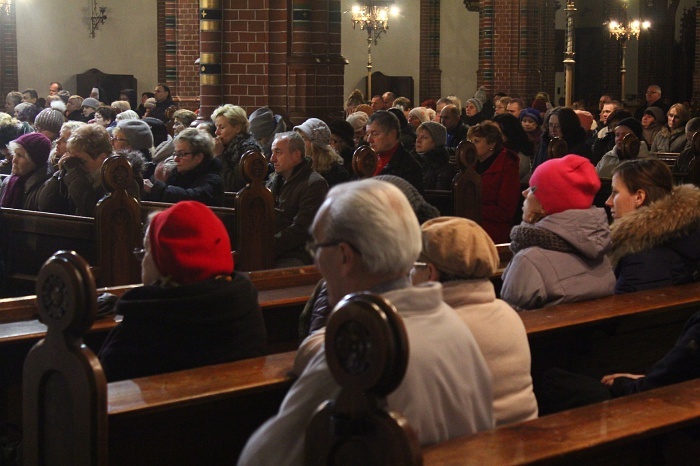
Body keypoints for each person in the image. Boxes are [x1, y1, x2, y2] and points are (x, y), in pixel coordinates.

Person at [239, 179, 494, 465]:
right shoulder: (453, 325)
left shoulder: (357, 354)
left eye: (318, 247)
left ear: (345, 256)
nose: (317, 261)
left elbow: (264, 457)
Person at [97, 201, 266, 382]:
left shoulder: (141, 330)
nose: (141, 260)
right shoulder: (246, 310)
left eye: (145, 251)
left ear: (164, 265)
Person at [411, 217, 538, 426]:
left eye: (414, 265)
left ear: (430, 273)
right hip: (523, 440)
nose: (410, 274)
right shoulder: (507, 313)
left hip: (476, 451)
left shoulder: (435, 331)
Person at [501, 154, 616, 310]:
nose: (525, 193)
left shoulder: (529, 261)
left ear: (545, 204)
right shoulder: (600, 250)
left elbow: (511, 321)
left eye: (533, 188)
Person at [606, 158, 700, 294]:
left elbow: (627, 312)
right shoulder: (684, 233)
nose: (608, 201)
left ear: (639, 197)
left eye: (615, 192)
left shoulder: (641, 260)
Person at [38, 124, 142, 216]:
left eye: (81, 161)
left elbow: (92, 211)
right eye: (73, 159)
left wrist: (74, 173)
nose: (77, 165)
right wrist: (61, 173)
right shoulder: (75, 175)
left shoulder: (122, 179)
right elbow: (45, 205)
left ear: (102, 157)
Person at [267, 131, 329, 267]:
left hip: (298, 253)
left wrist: (267, 245)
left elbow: (302, 229)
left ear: (296, 155)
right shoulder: (273, 181)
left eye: (278, 152)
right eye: (272, 152)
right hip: (274, 248)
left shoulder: (314, 184)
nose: (272, 159)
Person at [467, 121, 520, 243]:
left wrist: (473, 209)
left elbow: (505, 211)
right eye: (470, 142)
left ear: (492, 144)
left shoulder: (507, 166)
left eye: (476, 141)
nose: (471, 146)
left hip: (493, 230)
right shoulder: (470, 163)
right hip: (471, 225)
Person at [143, 128, 223, 206]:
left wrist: (157, 189)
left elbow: (192, 198)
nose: (176, 159)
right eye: (175, 153)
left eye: (181, 154)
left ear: (199, 157)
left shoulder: (213, 179)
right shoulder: (177, 173)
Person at [365, 110, 424, 192]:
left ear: (392, 134)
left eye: (375, 134)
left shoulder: (409, 167)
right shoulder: (365, 160)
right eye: (367, 134)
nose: (369, 140)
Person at [211, 104, 262, 192]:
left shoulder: (249, 150)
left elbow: (233, 186)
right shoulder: (225, 146)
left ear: (237, 128)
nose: (216, 132)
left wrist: (219, 156)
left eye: (222, 127)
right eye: (216, 127)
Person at [0, 133, 52, 210]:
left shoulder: (45, 189)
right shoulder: (9, 182)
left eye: (20, 155)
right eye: (14, 154)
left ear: (34, 161)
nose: (14, 160)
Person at [294, 118, 349, 187]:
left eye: (304, 139)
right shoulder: (297, 168)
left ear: (315, 145)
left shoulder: (337, 174)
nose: (299, 144)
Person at [412, 121, 457, 190]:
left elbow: (438, 196)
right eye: (417, 136)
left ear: (436, 142)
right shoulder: (411, 160)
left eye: (424, 137)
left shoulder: (444, 168)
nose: (418, 140)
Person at [493, 112, 534, 184]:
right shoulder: (494, 149)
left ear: (508, 132)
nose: (493, 135)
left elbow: (504, 181)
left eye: (498, 132)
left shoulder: (519, 158)